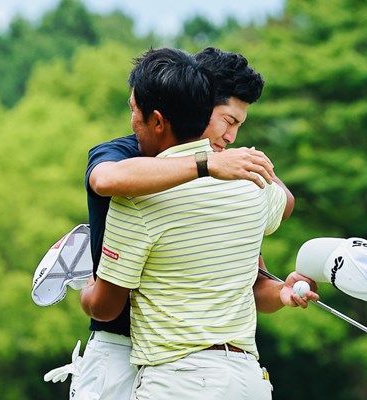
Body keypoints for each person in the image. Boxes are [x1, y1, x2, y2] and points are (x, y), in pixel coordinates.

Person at [45, 47, 318, 399]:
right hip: (125, 351)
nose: (232, 136)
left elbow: (257, 273)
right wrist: (208, 164)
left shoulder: (224, 179)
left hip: (174, 368)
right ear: (200, 104)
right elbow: (104, 180)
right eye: (228, 120)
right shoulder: (126, 157)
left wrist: (279, 291)